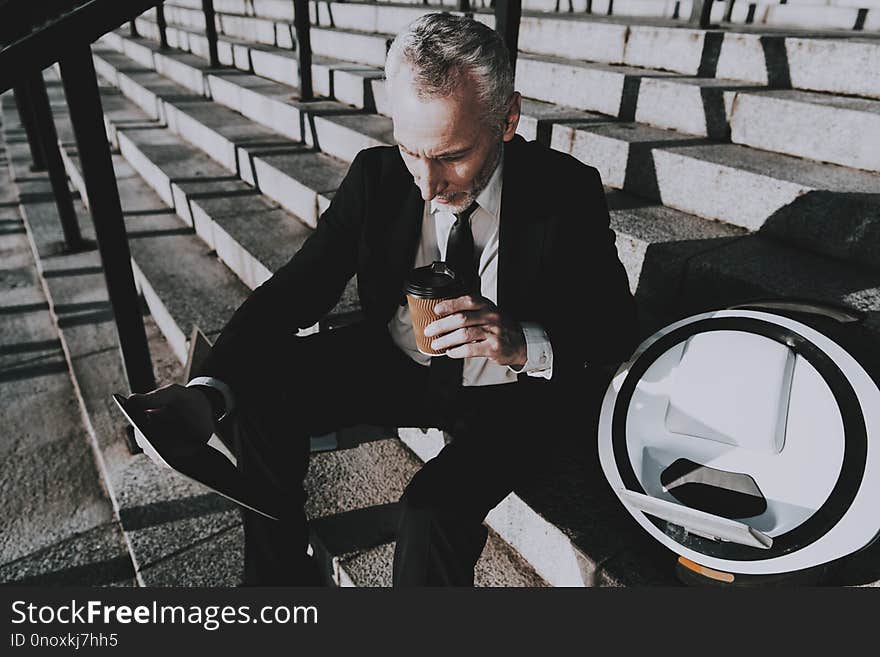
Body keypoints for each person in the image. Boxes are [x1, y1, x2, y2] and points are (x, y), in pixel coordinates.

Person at [129, 13, 638, 586]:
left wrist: (522, 342)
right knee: (255, 388)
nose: (427, 183)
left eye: (451, 156)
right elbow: (297, 290)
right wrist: (208, 392)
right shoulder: (377, 177)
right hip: (402, 364)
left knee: (431, 511)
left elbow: (615, 329)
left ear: (508, 119)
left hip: (511, 398)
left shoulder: (564, 189)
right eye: (410, 151)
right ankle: (276, 588)